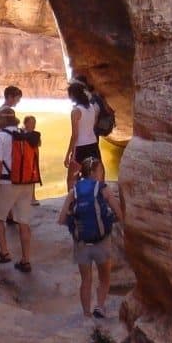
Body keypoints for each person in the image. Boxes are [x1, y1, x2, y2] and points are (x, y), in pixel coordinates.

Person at [58, 154, 122, 317]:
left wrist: (76, 225)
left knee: (86, 280)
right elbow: (119, 213)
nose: (101, 174)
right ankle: (99, 306)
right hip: (101, 241)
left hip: (81, 243)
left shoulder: (75, 190)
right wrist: (109, 220)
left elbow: (61, 218)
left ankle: (86, 314)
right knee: (104, 278)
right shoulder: (103, 188)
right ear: (93, 172)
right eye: (100, 170)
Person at [0, 107, 40, 272]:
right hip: (26, 183)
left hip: (6, 183)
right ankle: (25, 260)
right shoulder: (25, 134)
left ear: (0, 120)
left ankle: (4, 253)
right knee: (23, 223)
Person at [64, 80, 105, 182]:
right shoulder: (92, 108)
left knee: (72, 178)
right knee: (94, 174)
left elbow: (75, 135)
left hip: (80, 146)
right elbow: (92, 125)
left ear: (73, 95)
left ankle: (74, 197)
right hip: (93, 144)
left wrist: (68, 154)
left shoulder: (75, 111)